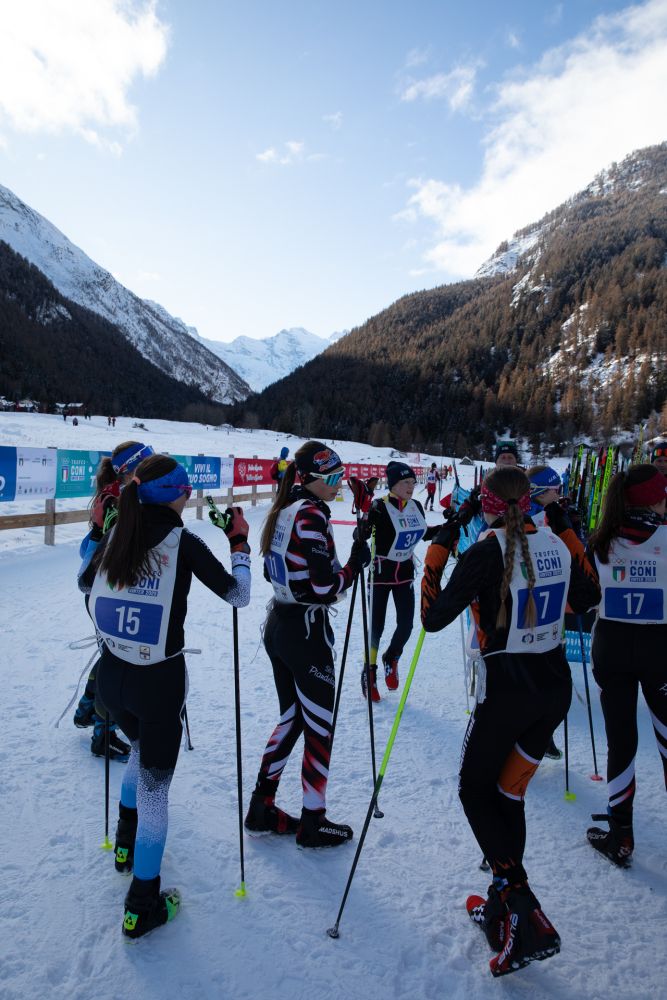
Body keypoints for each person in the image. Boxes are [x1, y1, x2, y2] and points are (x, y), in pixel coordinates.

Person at [421, 466, 600, 977]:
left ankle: (521, 903)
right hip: (551, 689)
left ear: (488, 507)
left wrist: (438, 551)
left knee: (473, 790)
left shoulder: (486, 552)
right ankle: (504, 902)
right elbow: (589, 597)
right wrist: (564, 525)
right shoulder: (554, 542)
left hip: (507, 693)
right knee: (507, 793)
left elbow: (432, 617)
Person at [79, 454, 251, 938]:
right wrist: (239, 543)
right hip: (157, 684)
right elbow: (238, 594)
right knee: (156, 792)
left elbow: (84, 583)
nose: (189, 497)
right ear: (176, 496)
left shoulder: (120, 532)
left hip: (112, 678)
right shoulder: (183, 540)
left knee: (138, 751)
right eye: (186, 490)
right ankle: (142, 904)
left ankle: (124, 844)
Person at [246, 440, 369, 848]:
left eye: (340, 476)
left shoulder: (286, 507)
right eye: (331, 479)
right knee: (319, 726)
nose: (337, 485)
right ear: (310, 479)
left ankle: (261, 806)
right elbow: (324, 587)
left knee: (293, 718)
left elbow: (274, 571)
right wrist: (355, 565)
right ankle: (313, 820)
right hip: (305, 632)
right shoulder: (311, 515)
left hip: (281, 625)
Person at [585, 464, 667, 868]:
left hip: (612, 648)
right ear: (653, 499)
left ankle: (621, 834)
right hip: (660, 650)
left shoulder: (599, 541)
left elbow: (582, 598)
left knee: (621, 741)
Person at [74, 441, 155, 761]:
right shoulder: (116, 499)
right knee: (116, 661)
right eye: (147, 463)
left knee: (113, 655)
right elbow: (88, 550)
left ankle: (87, 707)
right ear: (131, 470)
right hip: (106, 593)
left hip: (115, 591)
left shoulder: (128, 495)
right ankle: (102, 732)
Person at [361, 461, 439, 700]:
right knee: (376, 626)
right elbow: (361, 534)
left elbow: (423, 533)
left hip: (404, 573)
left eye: (413, 482)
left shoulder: (415, 506)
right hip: (380, 574)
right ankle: (369, 672)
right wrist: (364, 518)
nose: (411, 487)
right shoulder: (380, 506)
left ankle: (391, 657)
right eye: (406, 482)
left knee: (406, 625)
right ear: (393, 484)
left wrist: (446, 528)